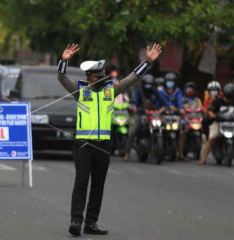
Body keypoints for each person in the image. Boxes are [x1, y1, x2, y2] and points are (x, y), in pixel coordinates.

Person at [57, 43, 162, 236]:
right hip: (83, 145)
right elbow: (62, 77)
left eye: (103, 76)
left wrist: (147, 62)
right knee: (81, 183)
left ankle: (91, 222)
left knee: (98, 185)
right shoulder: (81, 91)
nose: (102, 80)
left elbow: (132, 78)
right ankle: (75, 221)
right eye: (98, 77)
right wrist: (64, 61)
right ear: (89, 77)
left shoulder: (110, 91)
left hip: (103, 145)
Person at [198, 83, 234, 165]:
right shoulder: (217, 101)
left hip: (231, 124)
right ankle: (203, 159)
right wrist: (213, 114)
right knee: (211, 138)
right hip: (218, 122)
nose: (229, 99)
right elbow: (211, 111)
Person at [122, 74, 164, 161]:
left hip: (153, 114)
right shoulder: (139, 92)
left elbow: (162, 101)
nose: (148, 86)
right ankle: (126, 153)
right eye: (147, 84)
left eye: (150, 84)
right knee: (133, 132)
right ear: (144, 84)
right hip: (141, 114)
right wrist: (134, 106)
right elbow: (134, 100)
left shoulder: (154, 91)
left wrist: (165, 107)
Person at [179, 82, 203, 160]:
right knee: (181, 131)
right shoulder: (182, 100)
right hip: (185, 119)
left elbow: (201, 108)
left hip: (195, 119)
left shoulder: (197, 100)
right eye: (188, 89)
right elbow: (180, 108)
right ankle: (181, 151)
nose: (190, 91)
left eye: (191, 89)